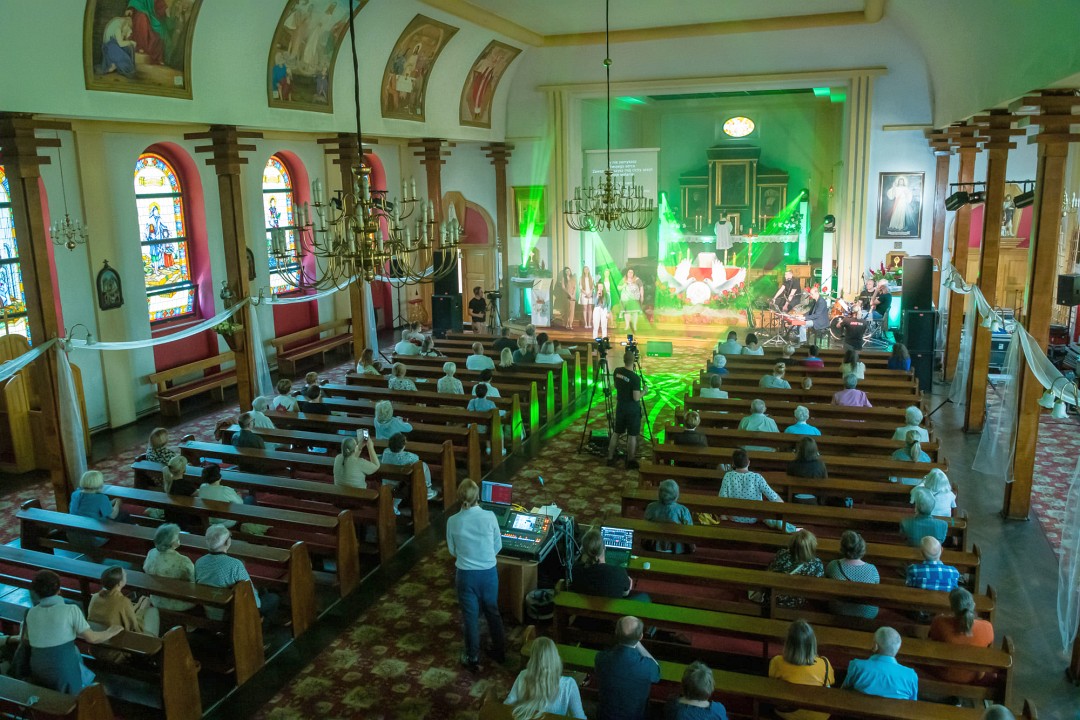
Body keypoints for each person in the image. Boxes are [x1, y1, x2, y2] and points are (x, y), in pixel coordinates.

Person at [23, 570, 121, 693]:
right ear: (59, 590)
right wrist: (111, 631)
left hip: (37, 667)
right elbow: (92, 638)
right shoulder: (71, 610)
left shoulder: (31, 613)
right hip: (63, 668)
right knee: (72, 698)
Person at [445, 480, 505, 671]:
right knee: (492, 612)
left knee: (470, 618)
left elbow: (452, 550)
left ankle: (472, 657)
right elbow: (498, 545)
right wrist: (485, 558)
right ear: (478, 496)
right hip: (488, 574)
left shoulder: (453, 521)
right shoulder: (490, 516)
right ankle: (500, 652)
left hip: (466, 576)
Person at [195, 525, 279, 622]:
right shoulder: (235, 564)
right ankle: (260, 626)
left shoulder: (199, 562)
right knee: (274, 598)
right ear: (227, 542)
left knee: (262, 590)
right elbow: (250, 594)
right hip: (231, 613)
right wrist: (257, 613)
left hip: (210, 610)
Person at [88, 566, 160, 662]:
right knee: (153, 612)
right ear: (119, 583)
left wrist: (137, 605)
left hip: (96, 647)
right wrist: (142, 609)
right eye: (125, 575)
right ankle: (152, 655)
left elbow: (117, 614)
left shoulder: (95, 597)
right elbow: (135, 628)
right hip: (114, 651)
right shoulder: (123, 601)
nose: (126, 575)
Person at [594, 616, 660, 720]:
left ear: (616, 632)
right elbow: (657, 670)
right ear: (641, 636)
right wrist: (637, 643)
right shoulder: (647, 666)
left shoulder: (601, 658)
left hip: (605, 716)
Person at [504, 636, 586, 719]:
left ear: (532, 658)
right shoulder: (569, 684)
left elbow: (508, 704)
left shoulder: (523, 675)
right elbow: (579, 717)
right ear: (555, 657)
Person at [768, 620, 834, 720]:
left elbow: (772, 683)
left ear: (788, 644)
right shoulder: (825, 664)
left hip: (786, 713)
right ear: (813, 643)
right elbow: (830, 684)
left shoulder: (777, 661)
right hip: (817, 715)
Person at [929, 587, 994, 683]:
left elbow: (932, 640)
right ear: (973, 605)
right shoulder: (987, 627)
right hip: (975, 676)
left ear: (952, 608)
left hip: (945, 674)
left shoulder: (939, 623)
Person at [719, 449, 792, 531]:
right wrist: (783, 507)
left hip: (733, 517)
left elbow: (722, 498)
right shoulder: (757, 477)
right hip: (753, 517)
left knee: (723, 516)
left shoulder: (728, 476)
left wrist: (726, 515)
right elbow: (773, 497)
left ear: (733, 464)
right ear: (749, 462)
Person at [841, 627, 918, 700]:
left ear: (875, 646)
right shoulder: (911, 675)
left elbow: (843, 692)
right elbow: (912, 703)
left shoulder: (857, 666)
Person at [824, 530, 880, 619]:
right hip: (867, 612)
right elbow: (876, 588)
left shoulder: (833, 565)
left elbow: (826, 583)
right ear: (862, 548)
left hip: (839, 610)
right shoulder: (872, 569)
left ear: (842, 548)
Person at [143, 523, 196, 612]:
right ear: (174, 543)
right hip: (177, 601)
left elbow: (145, 569)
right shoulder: (183, 561)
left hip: (156, 598)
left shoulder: (151, 553)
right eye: (177, 538)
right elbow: (193, 582)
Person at [766, 530, 825, 608]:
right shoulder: (817, 563)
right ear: (811, 547)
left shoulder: (781, 554)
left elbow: (771, 568)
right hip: (795, 602)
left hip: (773, 597)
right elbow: (818, 585)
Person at [571, 528, 635, 598]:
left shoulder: (576, 570)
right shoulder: (620, 572)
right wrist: (628, 583)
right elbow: (625, 593)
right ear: (604, 547)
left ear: (584, 551)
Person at [607, 350, 643, 469]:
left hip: (620, 406)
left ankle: (610, 458)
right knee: (632, 435)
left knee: (616, 432)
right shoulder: (635, 378)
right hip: (632, 409)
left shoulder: (617, 371)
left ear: (624, 360)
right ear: (634, 361)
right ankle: (630, 460)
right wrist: (645, 391)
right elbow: (636, 397)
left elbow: (616, 386)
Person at [69, 470, 123, 548]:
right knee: (122, 515)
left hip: (73, 536)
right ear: (99, 484)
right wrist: (117, 502)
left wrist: (109, 503)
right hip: (93, 539)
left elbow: (90, 505)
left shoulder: (75, 494)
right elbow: (113, 515)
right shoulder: (101, 498)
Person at [382, 432, 437, 500]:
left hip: (387, 482)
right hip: (400, 486)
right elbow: (417, 459)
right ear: (403, 446)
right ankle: (428, 491)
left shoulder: (385, 452)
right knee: (423, 465)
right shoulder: (408, 456)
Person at [644, 479, 694, 554]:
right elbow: (689, 531)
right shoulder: (683, 510)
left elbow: (645, 525)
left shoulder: (651, 507)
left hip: (653, 545)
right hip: (677, 548)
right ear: (676, 494)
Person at [197, 463, 249, 527]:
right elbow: (240, 503)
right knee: (249, 499)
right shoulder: (226, 490)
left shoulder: (202, 487)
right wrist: (239, 496)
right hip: (225, 522)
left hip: (208, 521)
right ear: (219, 477)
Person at [620, 268, 644, 334]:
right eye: (629, 272)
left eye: (631, 272)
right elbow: (618, 287)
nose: (630, 273)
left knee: (635, 312)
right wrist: (623, 285)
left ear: (633, 273)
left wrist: (642, 296)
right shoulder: (624, 280)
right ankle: (627, 325)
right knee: (627, 313)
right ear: (627, 273)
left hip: (634, 299)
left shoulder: (637, 280)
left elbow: (641, 288)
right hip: (626, 299)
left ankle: (634, 326)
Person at [581, 266, 595, 330]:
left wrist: (590, 293)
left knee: (590, 308)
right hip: (584, 294)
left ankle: (589, 323)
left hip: (590, 294)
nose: (586, 270)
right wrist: (586, 294)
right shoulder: (581, 278)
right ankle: (585, 323)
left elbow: (593, 287)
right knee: (585, 308)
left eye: (587, 269)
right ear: (583, 271)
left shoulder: (591, 278)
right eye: (585, 269)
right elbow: (581, 288)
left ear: (589, 270)